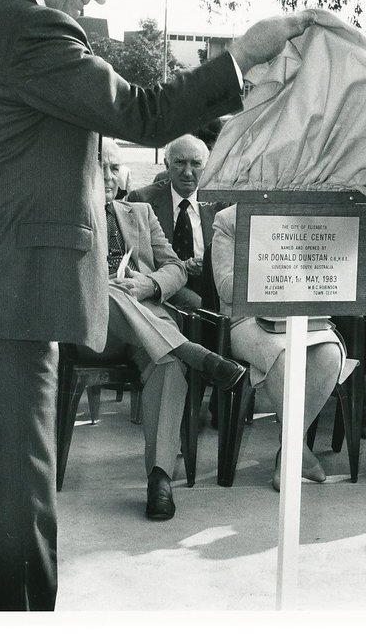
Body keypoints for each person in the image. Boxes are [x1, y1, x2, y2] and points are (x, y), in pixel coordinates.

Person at [0, 0, 317, 611]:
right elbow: (142, 113)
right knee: (14, 513)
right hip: (5, 303)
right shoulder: (30, 26)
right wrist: (241, 55)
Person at [81, 139, 244, 520]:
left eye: (114, 167)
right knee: (105, 288)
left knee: (169, 366)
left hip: (148, 330)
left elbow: (176, 267)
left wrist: (149, 285)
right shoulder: (67, 213)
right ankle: (196, 353)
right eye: (100, 166)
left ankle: (160, 478)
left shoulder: (138, 212)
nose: (108, 175)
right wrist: (109, 283)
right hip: (95, 330)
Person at [211, 205, 346, 490]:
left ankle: (289, 451)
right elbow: (225, 287)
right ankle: (297, 455)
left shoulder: (305, 216)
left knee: (330, 354)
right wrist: (275, 264)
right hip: (246, 321)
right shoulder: (228, 220)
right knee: (282, 357)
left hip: (300, 318)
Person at [127, 134, 220, 308]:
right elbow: (138, 258)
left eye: (196, 164)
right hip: (163, 290)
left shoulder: (221, 203)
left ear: (207, 167)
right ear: (167, 165)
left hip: (212, 285)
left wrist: (208, 264)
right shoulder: (142, 200)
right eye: (179, 162)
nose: (187, 172)